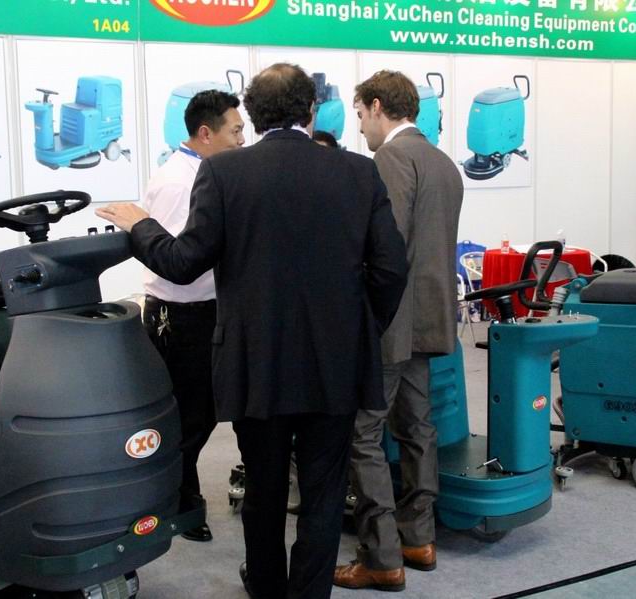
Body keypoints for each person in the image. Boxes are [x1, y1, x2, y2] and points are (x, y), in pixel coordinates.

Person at [96, 63, 407, 599]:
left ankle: (266, 588)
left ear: (255, 116)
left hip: (255, 361)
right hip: (335, 362)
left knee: (263, 487)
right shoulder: (358, 172)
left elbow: (182, 262)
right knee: (324, 491)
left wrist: (139, 224)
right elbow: (390, 270)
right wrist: (358, 329)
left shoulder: (223, 173)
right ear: (311, 111)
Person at [334, 70, 463, 593]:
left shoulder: (389, 159)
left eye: (360, 114)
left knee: (363, 434)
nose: (360, 126)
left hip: (391, 323)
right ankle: (418, 538)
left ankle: (381, 557)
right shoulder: (443, 162)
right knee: (417, 428)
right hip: (430, 319)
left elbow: (384, 249)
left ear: (376, 106)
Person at [140, 89, 245, 542]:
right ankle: (182, 503)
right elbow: (173, 259)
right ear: (206, 133)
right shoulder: (178, 183)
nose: (242, 140)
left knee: (207, 413)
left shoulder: (208, 174)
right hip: (181, 314)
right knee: (189, 418)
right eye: (235, 131)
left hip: (211, 309)